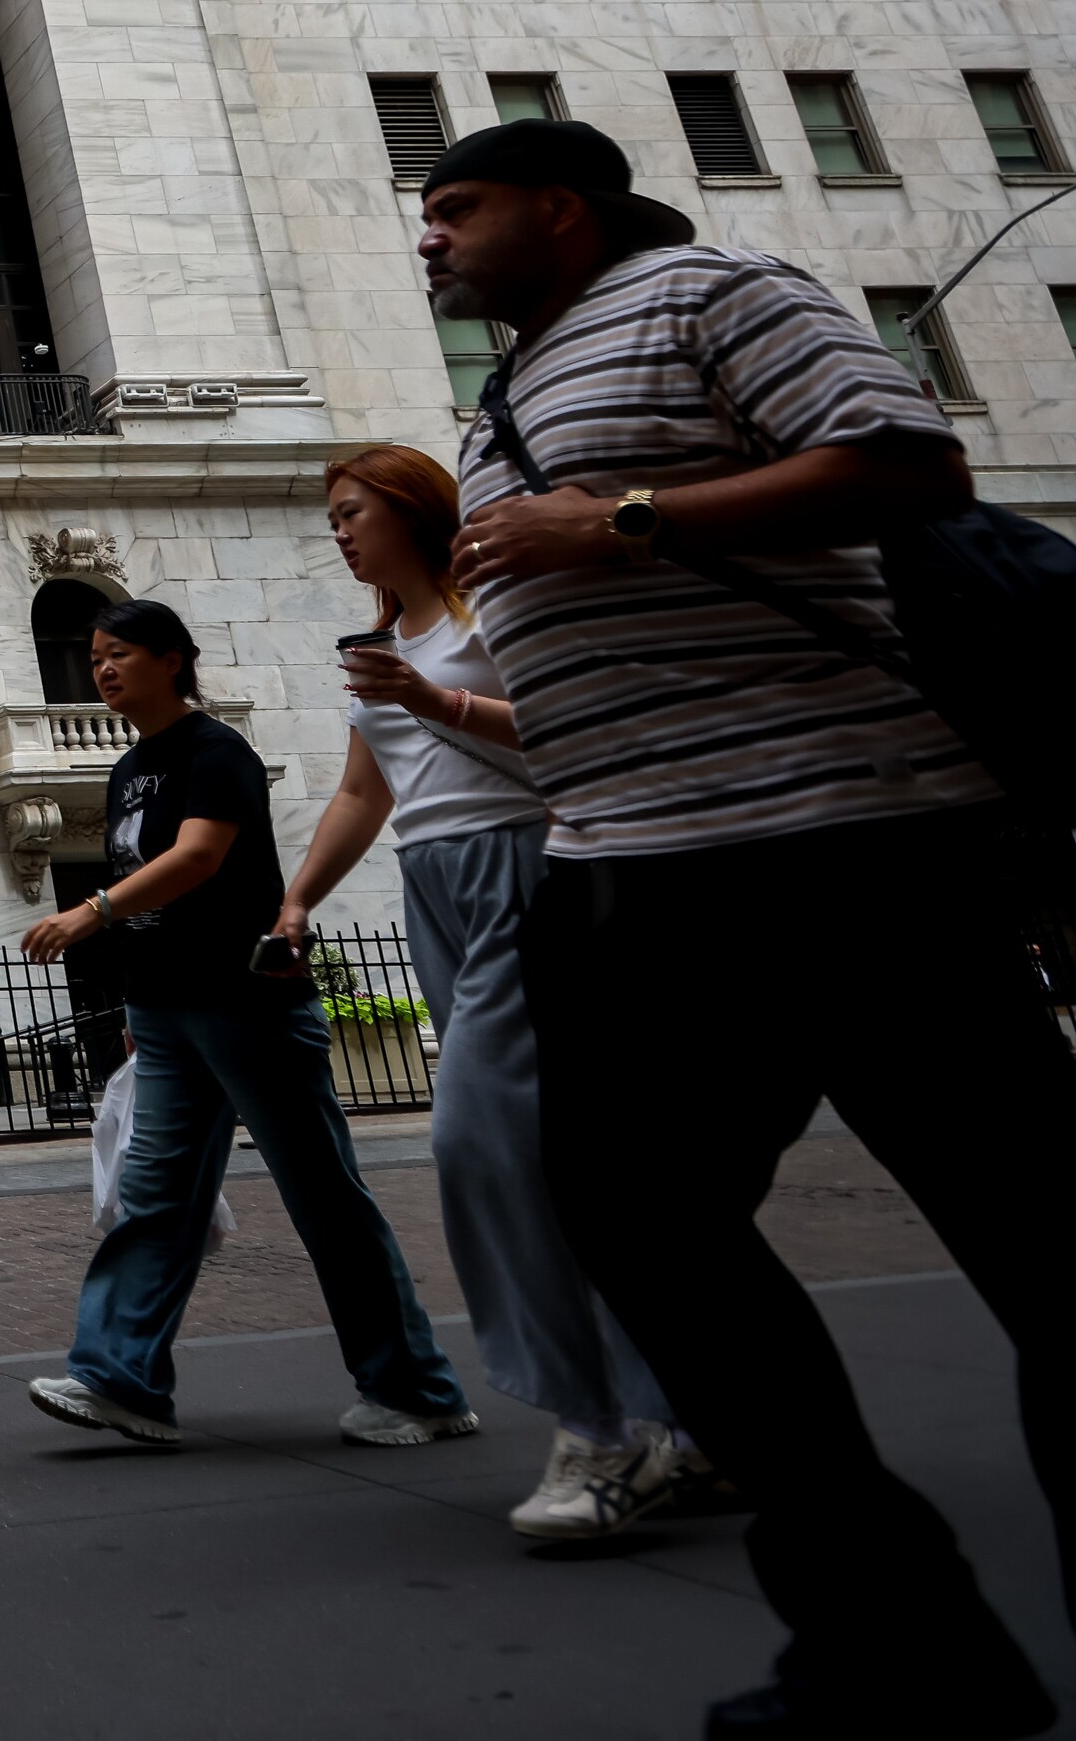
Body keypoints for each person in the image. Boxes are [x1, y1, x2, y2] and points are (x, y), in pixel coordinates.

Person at [423, 116, 1076, 1738]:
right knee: (640, 1230)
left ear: (561, 207)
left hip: (850, 850)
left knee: (1061, 1263)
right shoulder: (511, 386)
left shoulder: (718, 289)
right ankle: (898, 1635)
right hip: (634, 880)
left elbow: (910, 464)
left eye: (457, 206)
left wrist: (620, 520)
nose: (432, 235)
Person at [276, 444, 703, 1540]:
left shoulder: (492, 615)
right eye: (332, 518)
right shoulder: (382, 648)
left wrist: (438, 699)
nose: (338, 531)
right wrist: (298, 900)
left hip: (529, 872)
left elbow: (576, 738)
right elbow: (364, 790)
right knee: (574, 1163)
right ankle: (684, 1412)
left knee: (475, 1139)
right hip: (435, 892)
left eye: (352, 511)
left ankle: (599, 1422)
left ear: (412, 511)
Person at [18, 597, 472, 1452]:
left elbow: (198, 857)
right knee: (155, 1198)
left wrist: (90, 912)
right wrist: (137, 1008)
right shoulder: (129, 768)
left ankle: (416, 1389)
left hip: (245, 1002)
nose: (104, 668)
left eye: (121, 653)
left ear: (174, 660)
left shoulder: (216, 751)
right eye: (96, 655)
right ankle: (120, 1379)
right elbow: (155, 900)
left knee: (323, 1196)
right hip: (165, 1012)